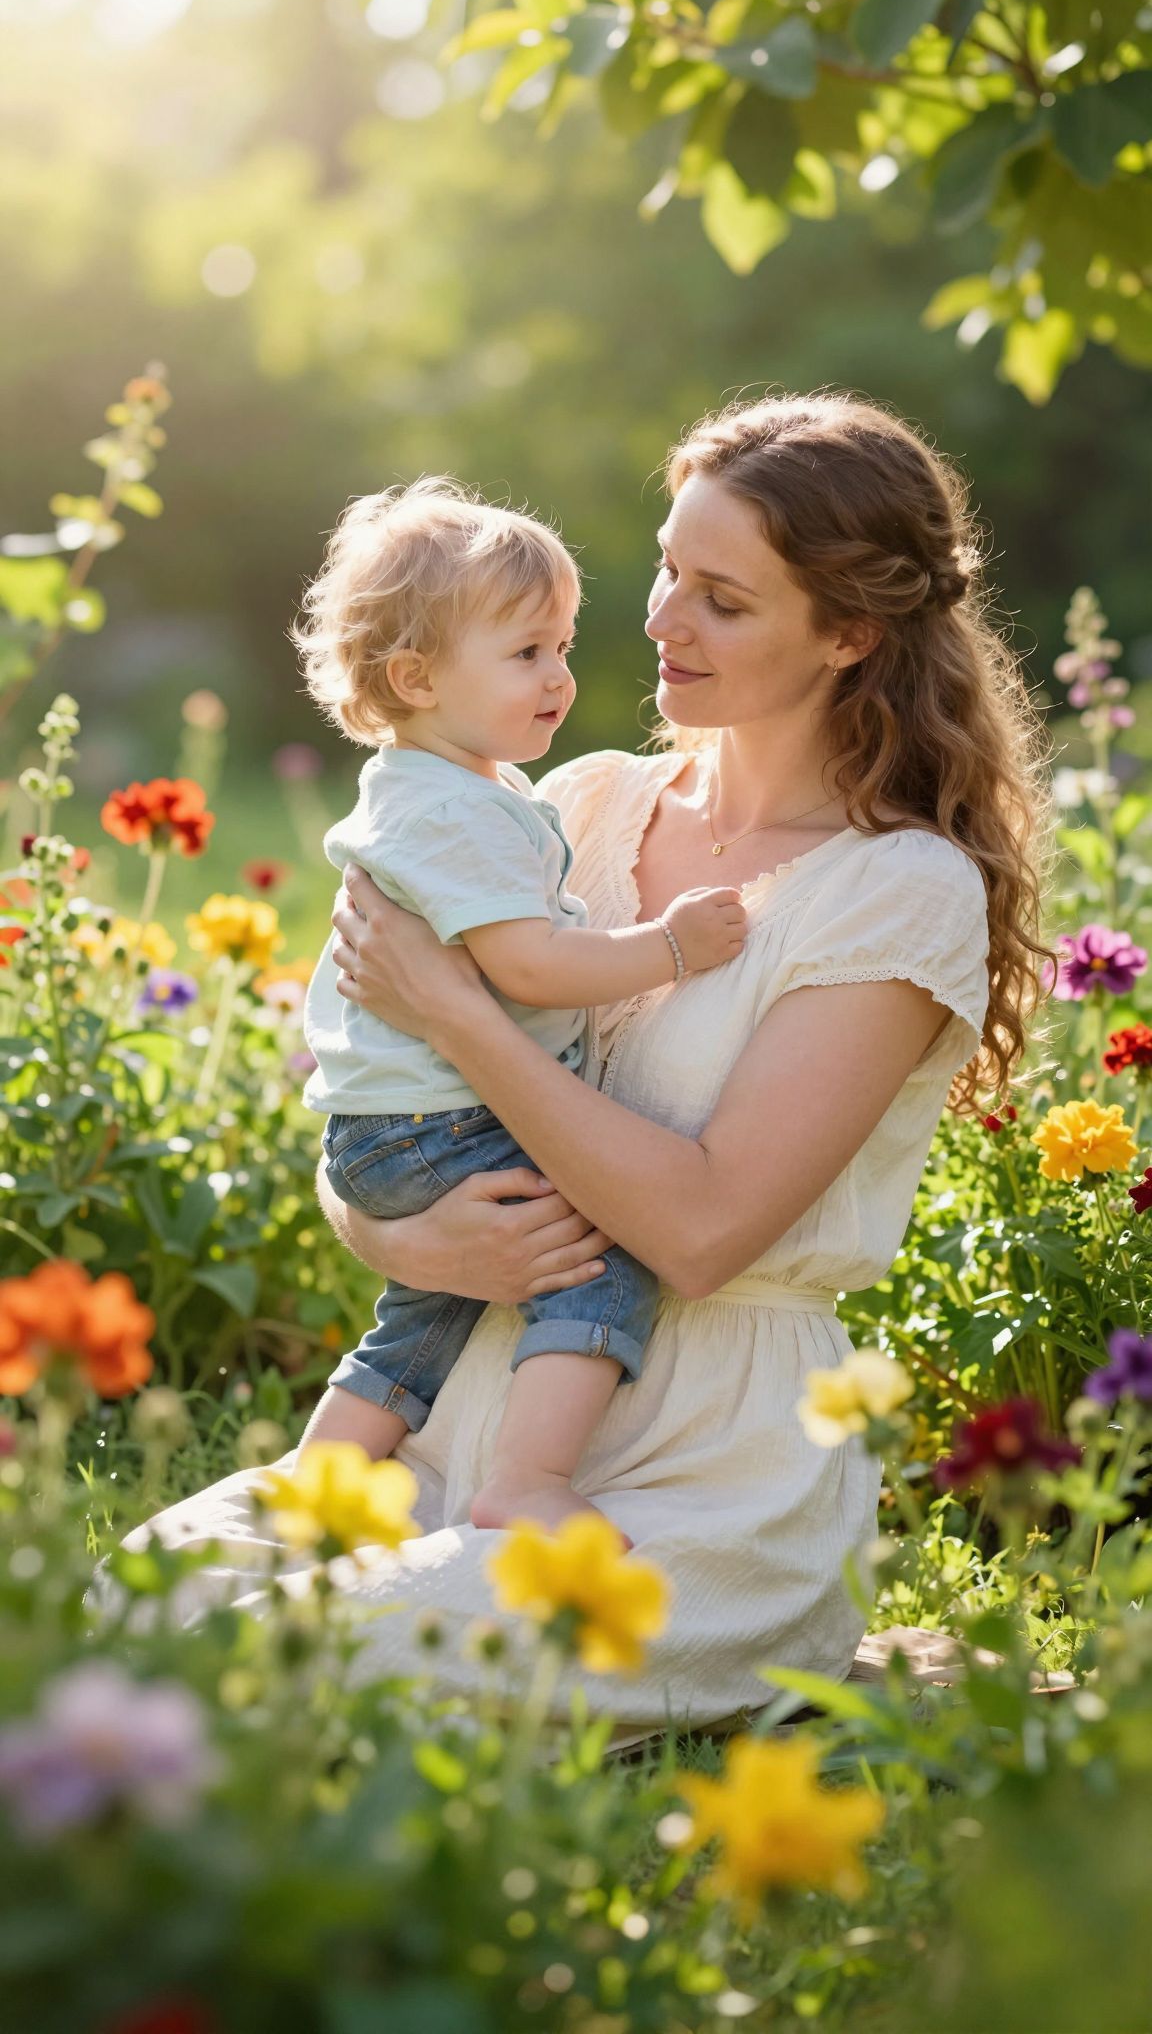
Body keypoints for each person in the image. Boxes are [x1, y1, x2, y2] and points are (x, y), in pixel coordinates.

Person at [119, 392, 1047, 1733]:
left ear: (847, 634)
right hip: (457, 1409)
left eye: (724, 600)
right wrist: (406, 1243)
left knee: (280, 1670)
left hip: (698, 1477)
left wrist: (469, 1024)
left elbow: (704, 1229)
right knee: (141, 1609)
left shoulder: (895, 891)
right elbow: (376, 1081)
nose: (664, 618)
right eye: (671, 567)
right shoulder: (570, 804)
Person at [293, 478, 746, 1538]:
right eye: (526, 653)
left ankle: (317, 1486)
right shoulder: (458, 813)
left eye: (561, 645)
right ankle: (527, 1477)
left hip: (392, 1126)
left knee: (418, 1322)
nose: (560, 676)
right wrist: (668, 946)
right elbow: (530, 967)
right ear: (414, 676)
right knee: (603, 1247)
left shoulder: (444, 787)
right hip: (440, 1120)